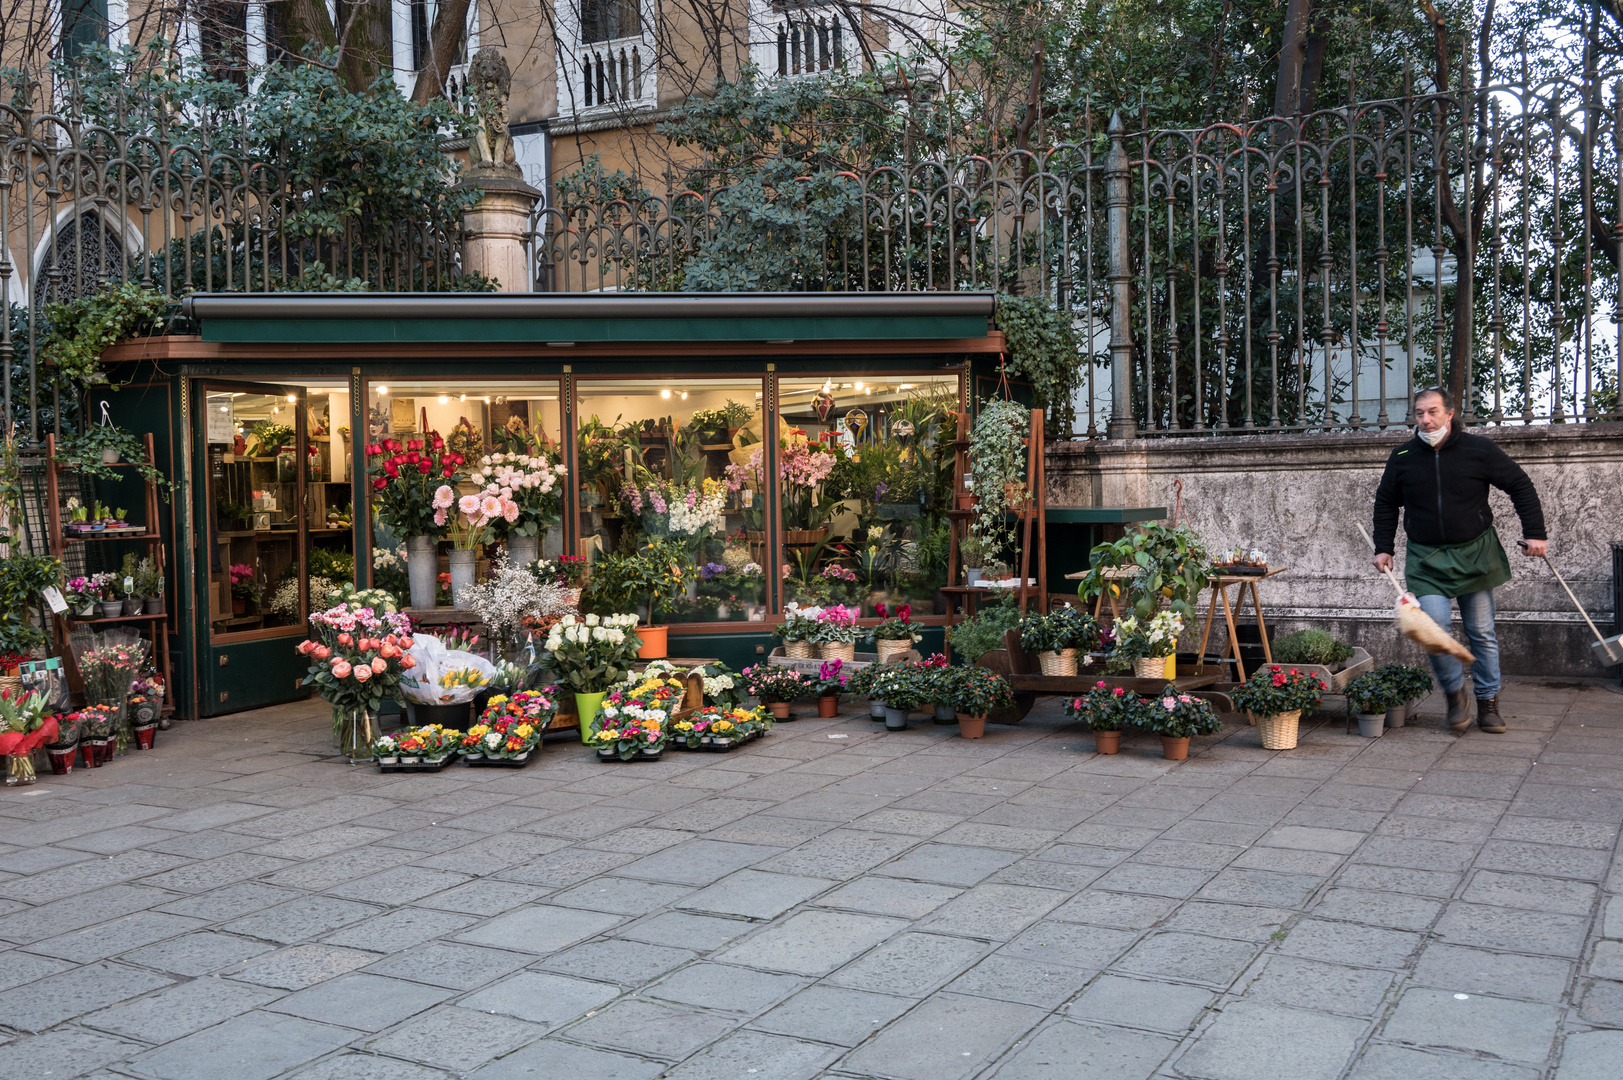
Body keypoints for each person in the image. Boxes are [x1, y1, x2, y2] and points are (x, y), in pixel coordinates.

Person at [1371, 387, 1546, 734]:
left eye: (1432, 411)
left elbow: (1520, 485)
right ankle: (1454, 696)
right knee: (1434, 632)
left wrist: (1535, 533)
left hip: (1475, 554)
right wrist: (1383, 546)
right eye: (1420, 413)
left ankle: (1488, 703)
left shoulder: (1479, 450)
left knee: (1481, 632)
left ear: (1449, 413)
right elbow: (1386, 503)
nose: (1425, 419)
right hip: (1426, 559)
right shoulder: (1403, 456)